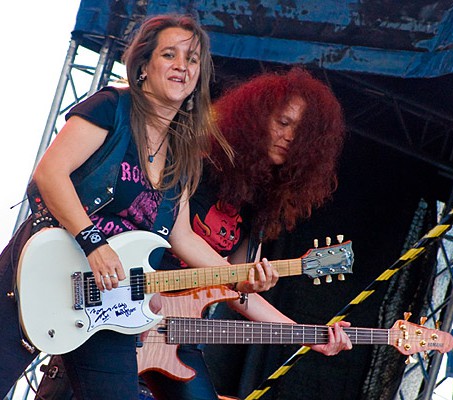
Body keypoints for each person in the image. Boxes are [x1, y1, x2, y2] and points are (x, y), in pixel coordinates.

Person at [0, 14, 276, 400]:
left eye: (193, 59)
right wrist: (94, 244)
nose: (183, 65)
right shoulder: (111, 107)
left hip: (109, 302)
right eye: (170, 54)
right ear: (143, 66)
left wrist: (241, 279)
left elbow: (181, 237)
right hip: (42, 272)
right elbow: (49, 175)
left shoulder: (184, 152)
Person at [140, 67, 350, 400]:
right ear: (254, 118)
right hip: (129, 304)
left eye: (301, 134)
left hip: (175, 331)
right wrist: (235, 276)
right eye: (283, 123)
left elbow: (241, 292)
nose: (289, 138)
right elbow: (183, 239)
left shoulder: (259, 201)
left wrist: (307, 335)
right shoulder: (198, 159)